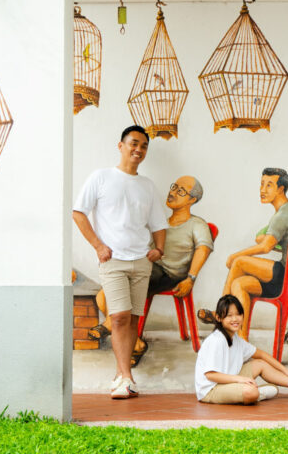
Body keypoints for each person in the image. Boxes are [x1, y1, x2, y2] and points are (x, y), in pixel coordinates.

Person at [73, 125, 168, 399]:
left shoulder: (147, 186)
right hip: (113, 260)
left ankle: (122, 376)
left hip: (141, 261)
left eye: (144, 146)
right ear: (121, 145)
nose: (138, 150)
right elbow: (79, 213)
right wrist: (98, 245)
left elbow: (159, 223)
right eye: (134, 143)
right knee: (118, 318)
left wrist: (158, 249)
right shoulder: (101, 177)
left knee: (134, 321)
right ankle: (125, 375)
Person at [88, 175, 214, 367]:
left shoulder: (197, 224)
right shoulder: (160, 220)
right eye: (174, 187)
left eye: (181, 191)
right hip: (148, 266)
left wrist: (191, 278)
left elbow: (203, 249)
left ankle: (109, 325)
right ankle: (137, 344)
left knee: (119, 291)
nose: (173, 193)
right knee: (102, 296)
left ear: (192, 199)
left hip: (170, 274)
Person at [199, 168, 288, 339]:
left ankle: (220, 313)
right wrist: (277, 237)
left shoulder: (282, 215)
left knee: (239, 262)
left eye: (269, 185)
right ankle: (242, 342)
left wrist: (234, 256)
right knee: (239, 284)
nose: (262, 190)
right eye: (262, 184)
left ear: (281, 189)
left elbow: (266, 247)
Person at [195, 295, 288, 404]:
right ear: (218, 318)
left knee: (259, 364)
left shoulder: (235, 339)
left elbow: (261, 354)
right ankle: (256, 394)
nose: (235, 319)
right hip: (211, 389)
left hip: (228, 379)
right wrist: (239, 380)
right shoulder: (217, 340)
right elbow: (211, 375)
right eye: (229, 316)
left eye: (238, 314)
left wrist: (286, 371)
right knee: (251, 392)